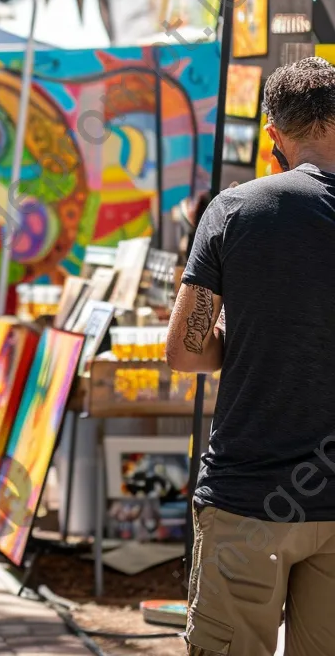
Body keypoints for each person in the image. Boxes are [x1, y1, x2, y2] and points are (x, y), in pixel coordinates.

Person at [170, 56, 335, 656]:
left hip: (249, 495)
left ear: (273, 135)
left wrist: (252, 341)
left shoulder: (235, 209)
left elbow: (184, 352)